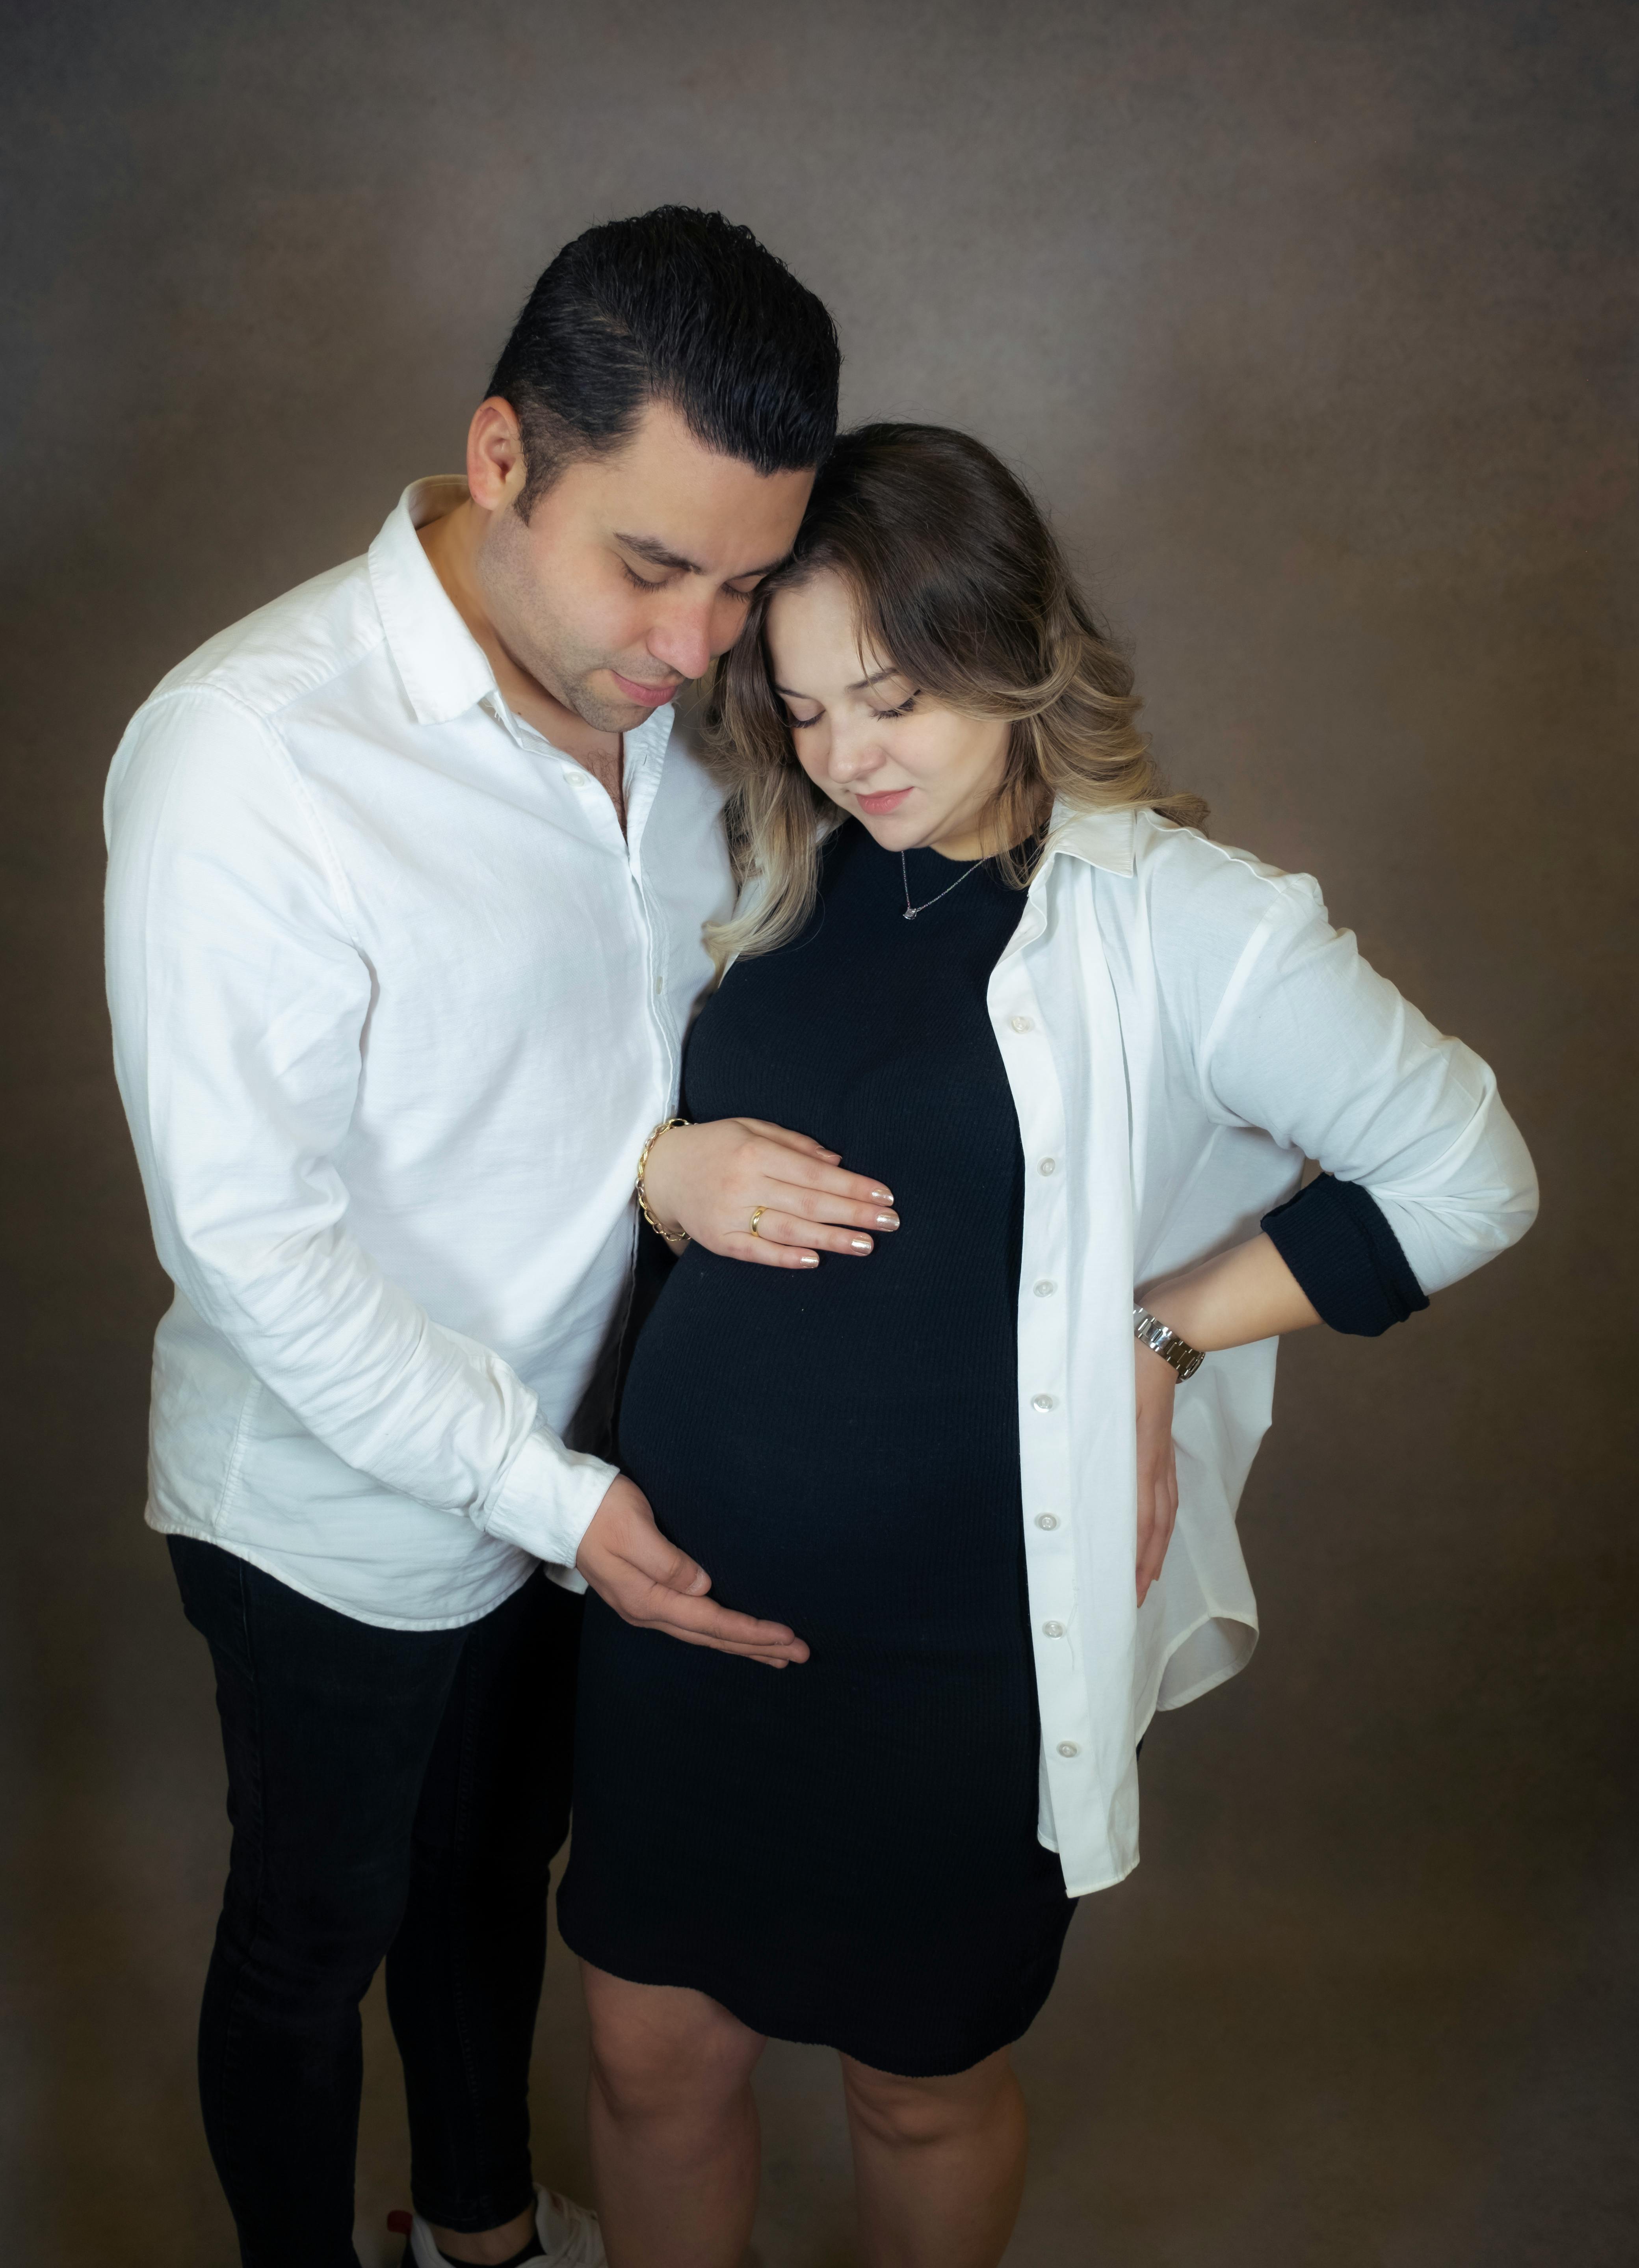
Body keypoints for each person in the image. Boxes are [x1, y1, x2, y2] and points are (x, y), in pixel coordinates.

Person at [557, 422, 1540, 2268]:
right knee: (641, 2048)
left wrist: (1159, 1348)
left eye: (893, 696)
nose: (850, 755)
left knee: (913, 2083)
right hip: (673, 1612)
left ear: (1007, 641)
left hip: (952, 1654)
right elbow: (545, 1120)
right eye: (806, 706)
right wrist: (657, 1170)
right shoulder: (745, 856)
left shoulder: (1179, 922)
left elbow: (1465, 1178)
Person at [102, 208, 899, 2268]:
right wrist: (542, 1495)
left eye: (742, 584)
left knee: (491, 1884)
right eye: (655, 568)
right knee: (316, 1934)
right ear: (501, 456)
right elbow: (249, 1250)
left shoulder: (698, 717)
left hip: (593, 1465)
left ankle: (479, 2236)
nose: (701, 646)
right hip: (336, 1504)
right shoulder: (247, 756)